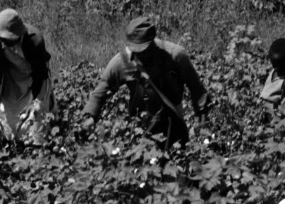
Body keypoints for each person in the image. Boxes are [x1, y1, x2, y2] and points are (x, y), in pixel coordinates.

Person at [82, 17, 209, 148]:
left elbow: (197, 89)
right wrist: (90, 117)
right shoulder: (122, 61)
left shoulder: (175, 55)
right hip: (140, 128)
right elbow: (101, 91)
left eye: (143, 50)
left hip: (173, 125)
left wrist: (202, 117)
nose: (139, 54)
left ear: (152, 40)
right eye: (135, 50)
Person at [0, 8, 57, 144]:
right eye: (1, 39)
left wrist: (34, 101)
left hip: (35, 79)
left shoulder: (34, 40)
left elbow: (40, 74)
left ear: (18, 35)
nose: (4, 42)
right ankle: (15, 147)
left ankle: (37, 151)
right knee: (10, 124)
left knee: (35, 118)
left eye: (9, 40)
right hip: (11, 79)